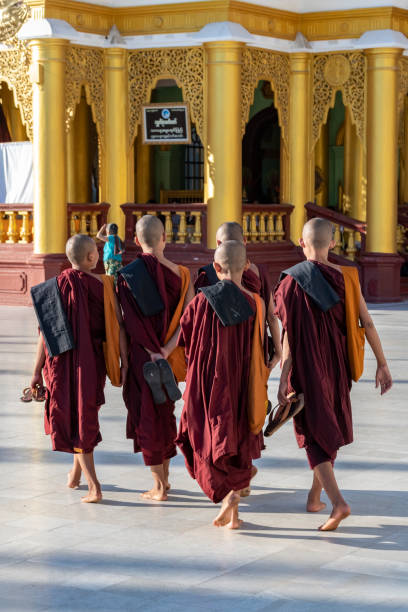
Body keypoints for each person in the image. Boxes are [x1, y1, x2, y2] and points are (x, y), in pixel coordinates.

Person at [274, 217, 392, 531]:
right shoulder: (348, 279)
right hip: (338, 367)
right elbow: (366, 322)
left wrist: (284, 375)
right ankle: (316, 497)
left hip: (307, 367)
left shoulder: (290, 282)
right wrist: (382, 363)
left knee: (314, 434)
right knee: (327, 426)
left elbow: (288, 336)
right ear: (334, 244)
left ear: (302, 243)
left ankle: (338, 502)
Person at [177, 240, 269, 529]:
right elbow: (259, 347)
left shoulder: (201, 301)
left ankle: (231, 501)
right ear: (246, 267)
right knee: (238, 438)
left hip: (208, 384)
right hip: (242, 384)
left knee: (207, 435)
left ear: (215, 268)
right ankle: (234, 509)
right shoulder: (255, 303)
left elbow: (186, 339)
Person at [30, 234, 128, 503]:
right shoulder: (105, 285)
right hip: (90, 364)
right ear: (93, 257)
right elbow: (118, 326)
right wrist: (125, 361)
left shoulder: (55, 286)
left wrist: (36, 371)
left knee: (78, 419)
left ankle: (88, 483)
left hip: (61, 366)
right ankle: (87, 481)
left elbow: (44, 334)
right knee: (82, 416)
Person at [117, 214, 194, 501]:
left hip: (142, 358)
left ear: (136, 241)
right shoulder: (183, 274)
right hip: (168, 356)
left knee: (147, 417)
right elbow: (189, 320)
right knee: (163, 414)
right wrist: (167, 349)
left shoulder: (127, 276)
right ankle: (165, 479)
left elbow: (125, 323)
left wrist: (136, 357)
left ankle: (159, 486)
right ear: (165, 238)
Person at [194, 221, 281, 371]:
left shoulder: (207, 274)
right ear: (245, 241)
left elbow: (197, 319)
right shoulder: (258, 271)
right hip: (252, 348)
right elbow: (271, 317)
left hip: (218, 351)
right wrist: (279, 352)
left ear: (218, 243)